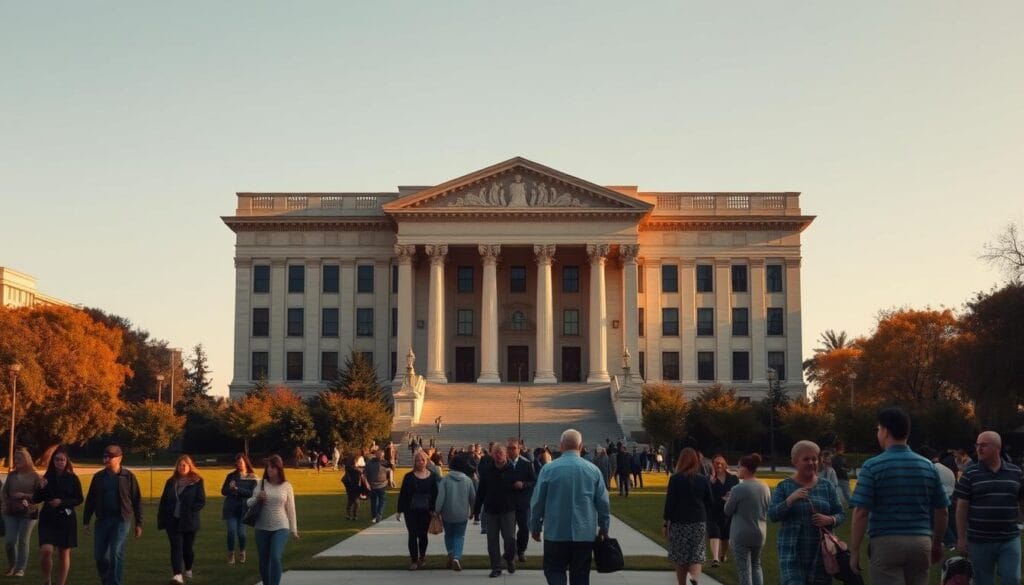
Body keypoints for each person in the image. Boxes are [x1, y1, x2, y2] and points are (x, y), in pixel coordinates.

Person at [849, 407, 948, 585]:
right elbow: (942, 511)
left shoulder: (872, 466)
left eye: (878, 429)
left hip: (886, 541)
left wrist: (854, 550)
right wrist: (937, 542)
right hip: (920, 541)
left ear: (885, 431)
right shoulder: (928, 466)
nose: (878, 433)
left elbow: (861, 512)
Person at [530, 428, 611, 585]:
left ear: (561, 446)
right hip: (584, 533)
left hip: (555, 533)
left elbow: (537, 501)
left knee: (554, 571)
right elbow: (603, 503)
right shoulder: (593, 471)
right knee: (580, 576)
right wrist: (604, 526)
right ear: (581, 447)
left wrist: (535, 526)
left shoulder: (548, 469)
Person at [768, 440, 845, 585]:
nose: (811, 462)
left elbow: (841, 514)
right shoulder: (784, 487)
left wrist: (830, 520)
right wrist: (790, 500)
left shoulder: (826, 486)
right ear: (795, 461)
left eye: (814, 459)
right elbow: (772, 515)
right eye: (806, 459)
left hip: (821, 555)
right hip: (792, 553)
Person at [955, 431, 1024, 585]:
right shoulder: (970, 474)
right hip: (979, 540)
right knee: (983, 581)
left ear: (997, 448)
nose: (979, 449)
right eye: (977, 445)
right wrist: (960, 537)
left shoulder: (1015, 472)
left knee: (1012, 579)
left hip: (1009, 538)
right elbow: (961, 508)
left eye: (983, 445)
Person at [83, 444, 142, 585]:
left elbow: (136, 500)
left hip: (121, 519)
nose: (106, 459)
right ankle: (107, 580)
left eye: (110, 457)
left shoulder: (128, 477)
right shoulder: (98, 477)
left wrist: (139, 523)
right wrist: (86, 521)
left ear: (120, 458)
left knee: (116, 552)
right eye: (105, 456)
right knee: (100, 556)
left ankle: (114, 582)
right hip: (102, 520)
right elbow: (90, 500)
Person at [663, 448, 714, 585]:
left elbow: (670, 503)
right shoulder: (702, 480)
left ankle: (682, 583)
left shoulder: (675, 479)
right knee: (696, 555)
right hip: (698, 521)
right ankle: (694, 578)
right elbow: (710, 501)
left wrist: (665, 523)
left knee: (681, 557)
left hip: (679, 521)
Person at [32, 446, 83, 585]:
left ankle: (61, 582)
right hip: (48, 518)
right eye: (56, 459)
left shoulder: (72, 478)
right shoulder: (46, 478)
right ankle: (46, 579)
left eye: (62, 460)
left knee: (64, 553)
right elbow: (36, 499)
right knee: (46, 551)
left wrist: (62, 502)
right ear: (52, 461)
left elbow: (79, 499)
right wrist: (40, 487)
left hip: (66, 519)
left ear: (66, 461)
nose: (59, 462)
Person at [247, 454, 299, 585]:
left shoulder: (286, 486)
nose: (270, 470)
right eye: (268, 467)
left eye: (273, 467)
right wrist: (258, 498)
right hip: (261, 527)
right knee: (264, 559)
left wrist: (294, 529)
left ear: (279, 469)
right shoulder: (261, 484)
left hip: (281, 526)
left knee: (275, 556)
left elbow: (291, 509)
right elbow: (249, 502)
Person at [157, 454, 206, 584]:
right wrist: (162, 518)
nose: (182, 467)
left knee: (187, 549)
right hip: (173, 521)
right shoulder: (171, 482)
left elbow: (201, 501)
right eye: (180, 465)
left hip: (189, 521)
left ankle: (188, 568)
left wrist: (190, 510)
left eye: (184, 465)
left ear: (190, 466)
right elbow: (164, 501)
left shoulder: (197, 481)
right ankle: (177, 574)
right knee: (176, 546)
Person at [723, 453, 771, 585]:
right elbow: (767, 507)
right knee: (756, 566)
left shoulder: (738, 488)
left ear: (744, 468)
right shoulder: (764, 486)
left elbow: (728, 511)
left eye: (739, 467)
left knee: (744, 570)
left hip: (741, 533)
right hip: (759, 533)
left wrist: (728, 500)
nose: (738, 470)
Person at [474, 444, 517, 578]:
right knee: (492, 540)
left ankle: (510, 558)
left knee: (509, 538)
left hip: (508, 510)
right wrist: (476, 510)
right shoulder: (487, 471)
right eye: (496, 453)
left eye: (500, 453)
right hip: (491, 510)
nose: (498, 455)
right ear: (492, 455)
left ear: (506, 454)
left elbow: (523, 487)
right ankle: (496, 567)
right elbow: (481, 491)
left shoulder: (513, 470)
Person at [3, 447, 41, 577]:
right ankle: (12, 565)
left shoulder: (35, 476)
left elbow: (39, 496)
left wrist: (24, 495)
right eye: (15, 459)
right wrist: (4, 504)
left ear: (26, 460)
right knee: (10, 541)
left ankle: (20, 568)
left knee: (23, 540)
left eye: (19, 459)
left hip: (29, 513)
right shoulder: (11, 475)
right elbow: (4, 492)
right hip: (10, 511)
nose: (16, 461)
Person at [397, 450, 437, 570]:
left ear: (426, 461)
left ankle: (422, 557)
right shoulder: (408, 477)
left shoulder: (432, 477)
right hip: (411, 510)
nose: (420, 462)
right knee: (412, 535)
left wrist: (434, 509)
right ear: (414, 462)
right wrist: (399, 510)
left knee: (423, 535)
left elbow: (435, 494)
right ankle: (414, 560)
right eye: (418, 460)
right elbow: (403, 494)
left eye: (422, 460)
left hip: (426, 511)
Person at [435, 454, 476, 571]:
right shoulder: (468, 480)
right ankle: (457, 557)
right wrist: (472, 511)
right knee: (459, 536)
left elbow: (440, 497)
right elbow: (473, 498)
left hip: (447, 514)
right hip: (462, 513)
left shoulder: (445, 480)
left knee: (449, 535)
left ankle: (451, 553)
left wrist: (437, 511)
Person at [221, 452, 257, 565]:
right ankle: (231, 553)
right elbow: (223, 491)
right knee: (231, 531)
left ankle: (242, 551)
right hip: (231, 508)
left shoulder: (252, 477)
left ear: (245, 462)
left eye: (241, 462)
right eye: (237, 462)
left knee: (241, 534)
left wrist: (237, 489)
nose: (239, 464)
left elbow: (252, 493)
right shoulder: (231, 476)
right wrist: (230, 488)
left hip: (243, 509)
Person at [918, 445, 956, 549]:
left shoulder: (931, 468)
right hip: (951, 495)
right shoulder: (946, 469)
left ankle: (949, 541)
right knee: (950, 520)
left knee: (936, 518)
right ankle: (953, 539)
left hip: (939, 497)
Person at [507, 439, 536, 563]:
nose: (511, 450)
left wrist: (523, 484)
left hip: (522, 503)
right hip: (507, 503)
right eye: (509, 448)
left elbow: (533, 481)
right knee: (509, 531)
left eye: (513, 448)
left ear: (519, 449)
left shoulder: (527, 464)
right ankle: (511, 552)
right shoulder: (503, 464)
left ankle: (521, 550)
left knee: (524, 529)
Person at [707, 454, 739, 567]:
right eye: (716, 463)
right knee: (714, 533)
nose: (719, 465)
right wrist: (710, 484)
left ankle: (722, 555)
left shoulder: (733, 478)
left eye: (721, 463)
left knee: (725, 536)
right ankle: (715, 558)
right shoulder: (709, 480)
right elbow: (706, 496)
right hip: (713, 510)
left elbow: (737, 492)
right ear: (713, 465)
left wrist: (731, 495)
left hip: (728, 511)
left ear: (725, 464)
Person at [363, 448, 389, 523]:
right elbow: (364, 474)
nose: (381, 457)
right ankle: (374, 515)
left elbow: (389, 471)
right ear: (376, 455)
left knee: (381, 500)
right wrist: (367, 484)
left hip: (382, 485)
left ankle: (379, 514)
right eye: (379, 455)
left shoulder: (385, 462)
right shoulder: (370, 463)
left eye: (382, 455)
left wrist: (389, 479)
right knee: (374, 501)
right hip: (372, 485)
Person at [341, 453, 367, 521]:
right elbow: (361, 481)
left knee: (350, 501)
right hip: (355, 488)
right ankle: (354, 515)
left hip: (350, 488)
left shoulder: (348, 469)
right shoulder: (357, 471)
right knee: (356, 502)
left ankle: (348, 514)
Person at [832, 441, 852, 507]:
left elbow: (848, 468)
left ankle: (851, 505)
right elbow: (847, 468)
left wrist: (844, 469)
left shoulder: (840, 458)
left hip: (841, 477)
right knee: (845, 493)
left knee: (846, 493)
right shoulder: (836, 458)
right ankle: (850, 504)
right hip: (839, 477)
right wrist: (845, 469)